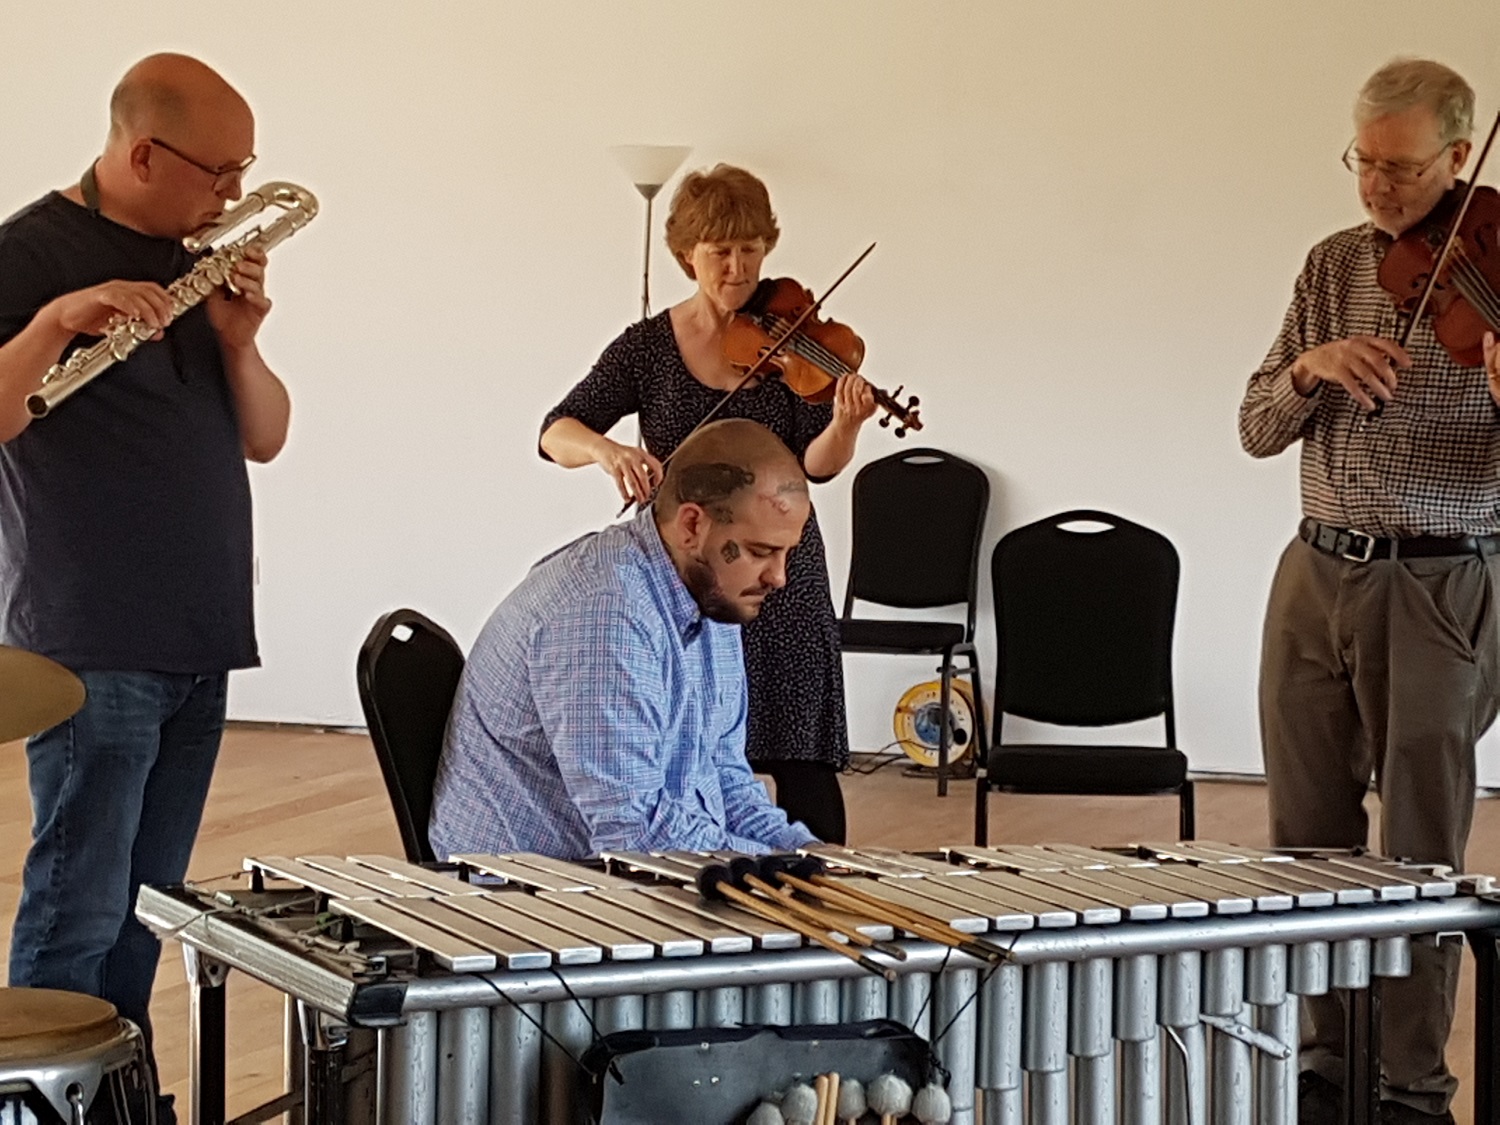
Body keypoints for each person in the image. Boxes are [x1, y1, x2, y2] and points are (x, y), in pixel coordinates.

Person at [0, 53, 290, 1118]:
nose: (234, 193)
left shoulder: (193, 262)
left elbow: (265, 435)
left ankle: (119, 1102)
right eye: (221, 172)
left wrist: (240, 345)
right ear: (141, 155)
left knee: (142, 910)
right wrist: (50, 325)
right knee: (77, 905)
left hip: (198, 632)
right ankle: (39, 1106)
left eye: (245, 169)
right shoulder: (26, 254)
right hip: (92, 633)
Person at [1239, 58, 1500, 1125]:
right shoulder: (1333, 264)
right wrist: (1311, 369)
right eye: (1365, 163)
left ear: (1459, 154)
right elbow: (1255, 427)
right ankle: (1325, 1064)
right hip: (1314, 569)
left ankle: (1411, 1087)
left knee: (1421, 847)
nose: (1379, 188)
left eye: (1402, 168)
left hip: (1440, 577)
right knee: (1305, 841)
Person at [539, 164, 877, 844]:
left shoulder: (793, 342)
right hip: (684, 575)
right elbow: (556, 431)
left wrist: (844, 424)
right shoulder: (647, 348)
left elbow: (816, 467)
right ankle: (701, 869)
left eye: (750, 249)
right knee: (693, 744)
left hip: (777, 568)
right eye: (720, 250)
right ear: (685, 254)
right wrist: (609, 452)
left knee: (801, 754)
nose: (737, 267)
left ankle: (824, 876)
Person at [430, 419, 820, 861]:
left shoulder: (714, 592)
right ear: (692, 525)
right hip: (526, 886)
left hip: (614, 863)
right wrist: (779, 869)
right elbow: (635, 833)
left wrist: (809, 854)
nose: (779, 577)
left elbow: (725, 777)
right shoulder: (604, 615)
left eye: (787, 553)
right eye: (761, 552)